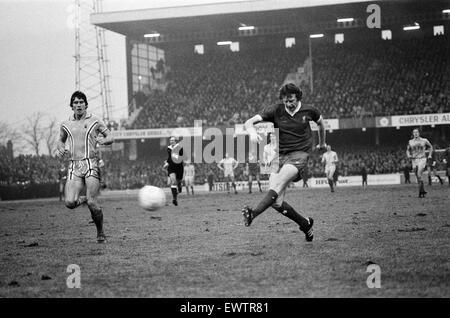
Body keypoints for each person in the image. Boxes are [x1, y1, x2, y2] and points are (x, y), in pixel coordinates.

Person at [242, 83, 326, 242]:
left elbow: (321, 123)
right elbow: (249, 122)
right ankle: (305, 223)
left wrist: (322, 143)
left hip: (299, 155)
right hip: (279, 156)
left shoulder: (310, 111)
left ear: (298, 97)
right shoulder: (275, 110)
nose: (289, 104)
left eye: (292, 100)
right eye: (286, 101)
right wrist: (252, 133)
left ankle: (253, 214)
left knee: (278, 183)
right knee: (276, 202)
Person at [56, 91, 114, 243]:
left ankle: (100, 233)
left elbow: (111, 137)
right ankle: (83, 199)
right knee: (69, 203)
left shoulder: (95, 120)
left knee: (93, 202)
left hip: (91, 164)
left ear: (86, 105)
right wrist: (60, 148)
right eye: (75, 102)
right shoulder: (65, 124)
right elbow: (61, 140)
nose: (79, 105)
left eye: (81, 102)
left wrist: (104, 141)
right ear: (72, 106)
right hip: (75, 166)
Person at [406, 128, 433, 198]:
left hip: (422, 159)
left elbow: (430, 147)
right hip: (414, 160)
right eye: (414, 132)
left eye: (417, 132)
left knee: (419, 174)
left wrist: (430, 155)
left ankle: (420, 192)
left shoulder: (424, 140)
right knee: (418, 177)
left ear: (419, 133)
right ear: (413, 134)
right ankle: (422, 190)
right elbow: (407, 150)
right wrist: (408, 155)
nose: (415, 133)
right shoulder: (410, 142)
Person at [164, 136, 184, 206]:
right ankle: (174, 199)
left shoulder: (180, 147)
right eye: (170, 140)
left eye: (172, 140)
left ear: (176, 141)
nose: (171, 141)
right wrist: (167, 163)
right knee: (173, 182)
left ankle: (180, 185)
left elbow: (182, 156)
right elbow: (169, 157)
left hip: (179, 167)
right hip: (171, 167)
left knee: (178, 181)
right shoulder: (169, 148)